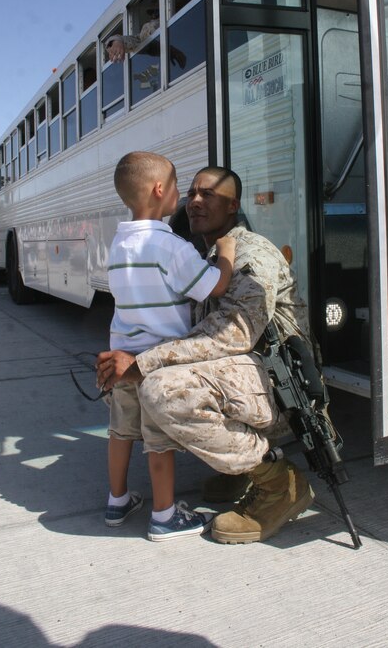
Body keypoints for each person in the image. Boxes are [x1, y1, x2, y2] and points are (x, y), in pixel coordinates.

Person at [96, 166, 317, 545]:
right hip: (246, 380)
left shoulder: (249, 254)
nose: (194, 201)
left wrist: (141, 363)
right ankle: (239, 468)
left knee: (162, 390)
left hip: (283, 388)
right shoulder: (207, 255)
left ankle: (281, 485)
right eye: (192, 193)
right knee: (127, 386)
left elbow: (234, 332)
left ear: (232, 206)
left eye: (207, 195)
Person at [103, 151, 236, 542]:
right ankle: (163, 515)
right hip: (156, 363)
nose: (182, 197)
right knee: (158, 440)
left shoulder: (118, 244)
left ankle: (117, 500)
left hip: (121, 358)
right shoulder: (169, 245)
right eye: (179, 186)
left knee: (120, 432)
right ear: (160, 190)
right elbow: (214, 286)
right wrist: (225, 255)